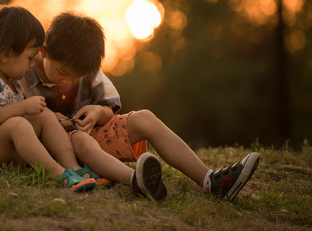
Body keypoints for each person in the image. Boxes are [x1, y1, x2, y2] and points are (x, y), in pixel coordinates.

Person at [20, 11, 260, 201]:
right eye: (62, 73)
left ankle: (210, 181)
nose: (67, 82)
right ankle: (137, 180)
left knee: (144, 117)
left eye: (76, 77)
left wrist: (96, 112)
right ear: (43, 52)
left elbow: (108, 107)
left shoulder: (86, 66)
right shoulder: (24, 71)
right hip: (57, 150)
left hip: (91, 138)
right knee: (81, 140)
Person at [0, 6, 96, 192]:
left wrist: (52, 118)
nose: (33, 64)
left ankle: (73, 168)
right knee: (18, 125)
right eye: (29, 58)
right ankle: (59, 175)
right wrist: (23, 107)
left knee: (43, 114)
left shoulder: (14, 81)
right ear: (6, 55)